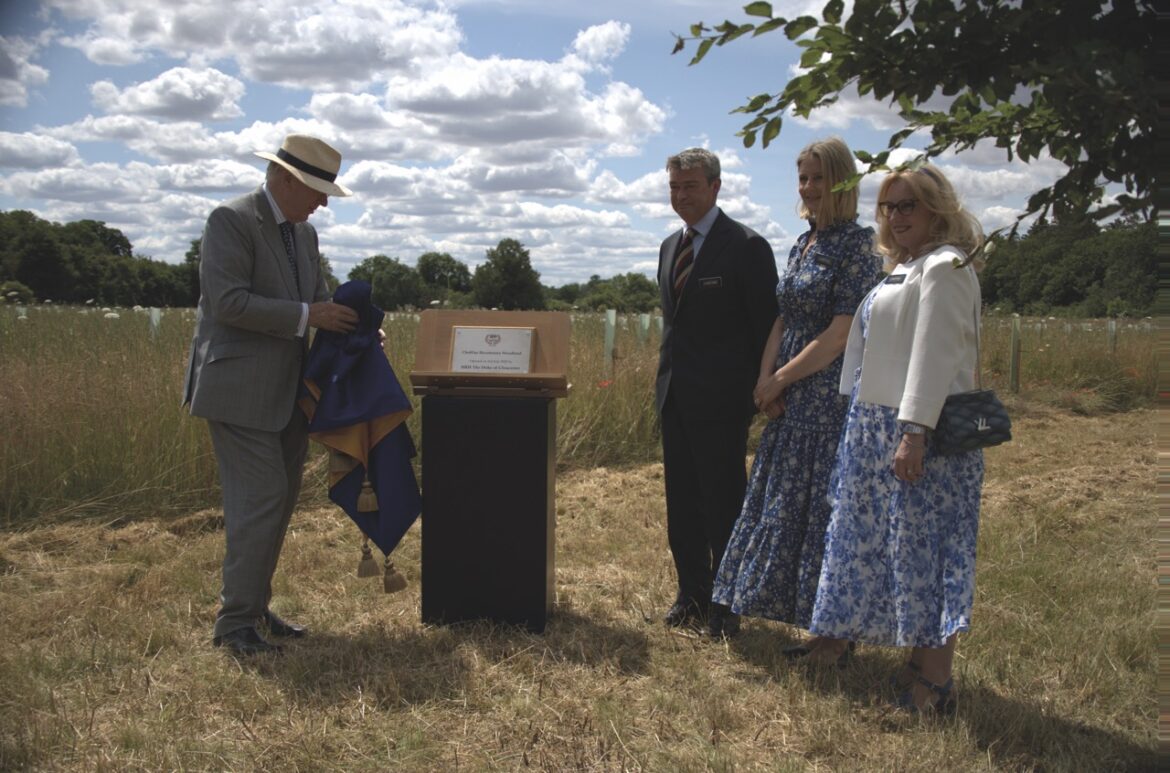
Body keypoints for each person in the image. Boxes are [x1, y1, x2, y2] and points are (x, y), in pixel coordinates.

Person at [807, 163, 987, 711]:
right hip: (876, 422)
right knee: (895, 548)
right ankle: (914, 664)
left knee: (926, 549)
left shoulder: (947, 265)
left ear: (938, 208)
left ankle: (935, 681)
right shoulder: (905, 266)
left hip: (916, 430)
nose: (896, 216)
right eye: (888, 207)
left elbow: (936, 357)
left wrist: (913, 433)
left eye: (908, 204)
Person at [183, 134, 360, 656]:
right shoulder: (231, 221)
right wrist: (311, 317)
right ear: (284, 178)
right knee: (259, 500)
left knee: (276, 503)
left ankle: (254, 609)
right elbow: (229, 302)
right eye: (316, 188)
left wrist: (354, 329)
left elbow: (320, 300)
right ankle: (233, 624)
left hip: (287, 394)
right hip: (237, 391)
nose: (324, 201)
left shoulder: (303, 236)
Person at [711, 138, 881, 654]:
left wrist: (780, 379)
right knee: (788, 507)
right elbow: (782, 315)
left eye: (817, 179)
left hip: (827, 397)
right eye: (802, 178)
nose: (807, 189)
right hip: (786, 393)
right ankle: (816, 626)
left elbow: (839, 334)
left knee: (823, 512)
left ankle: (835, 633)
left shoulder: (858, 245)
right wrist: (765, 381)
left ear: (842, 184)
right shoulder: (803, 243)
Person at [655, 147, 780, 638]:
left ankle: (728, 605)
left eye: (689, 186)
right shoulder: (670, 246)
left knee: (723, 504)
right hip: (675, 398)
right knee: (681, 503)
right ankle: (692, 596)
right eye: (674, 187)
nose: (680, 195)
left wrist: (759, 389)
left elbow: (765, 327)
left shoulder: (746, 247)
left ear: (715, 187)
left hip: (723, 401)